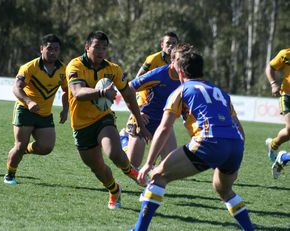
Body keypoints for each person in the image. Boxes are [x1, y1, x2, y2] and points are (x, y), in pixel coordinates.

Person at [131, 44, 254, 230]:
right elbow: (239, 129)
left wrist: (149, 163)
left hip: (209, 141)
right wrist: (234, 156)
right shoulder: (220, 92)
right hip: (236, 145)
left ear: (180, 72)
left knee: (157, 176)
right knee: (224, 190)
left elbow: (164, 129)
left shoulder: (180, 91)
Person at [66, 31, 152, 209]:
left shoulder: (113, 69)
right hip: (81, 126)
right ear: (87, 47)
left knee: (114, 153)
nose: (100, 51)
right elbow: (78, 92)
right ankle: (114, 190)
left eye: (104, 48)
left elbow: (128, 95)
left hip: (102, 119)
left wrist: (141, 124)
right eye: (97, 47)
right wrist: (103, 92)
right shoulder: (75, 66)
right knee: (97, 168)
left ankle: (135, 174)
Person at [4, 34, 69, 185]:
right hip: (25, 111)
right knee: (19, 145)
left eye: (56, 49)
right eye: (49, 48)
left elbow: (66, 91)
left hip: (44, 114)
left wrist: (65, 109)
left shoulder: (63, 70)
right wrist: (29, 101)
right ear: (41, 49)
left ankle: (23, 149)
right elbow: (16, 88)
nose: (53, 52)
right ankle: (10, 175)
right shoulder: (29, 67)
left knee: (46, 147)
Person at [120, 31, 179, 166]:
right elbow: (134, 83)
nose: (170, 46)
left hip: (163, 115)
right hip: (145, 107)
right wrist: (137, 112)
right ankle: (124, 139)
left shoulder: (184, 75)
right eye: (168, 43)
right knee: (133, 164)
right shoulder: (154, 62)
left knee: (170, 163)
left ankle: (152, 165)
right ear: (162, 45)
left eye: (174, 44)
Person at [265, 48, 290, 162]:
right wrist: (273, 84)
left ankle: (274, 144)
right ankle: (281, 155)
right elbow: (270, 68)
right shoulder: (285, 54)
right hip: (287, 96)